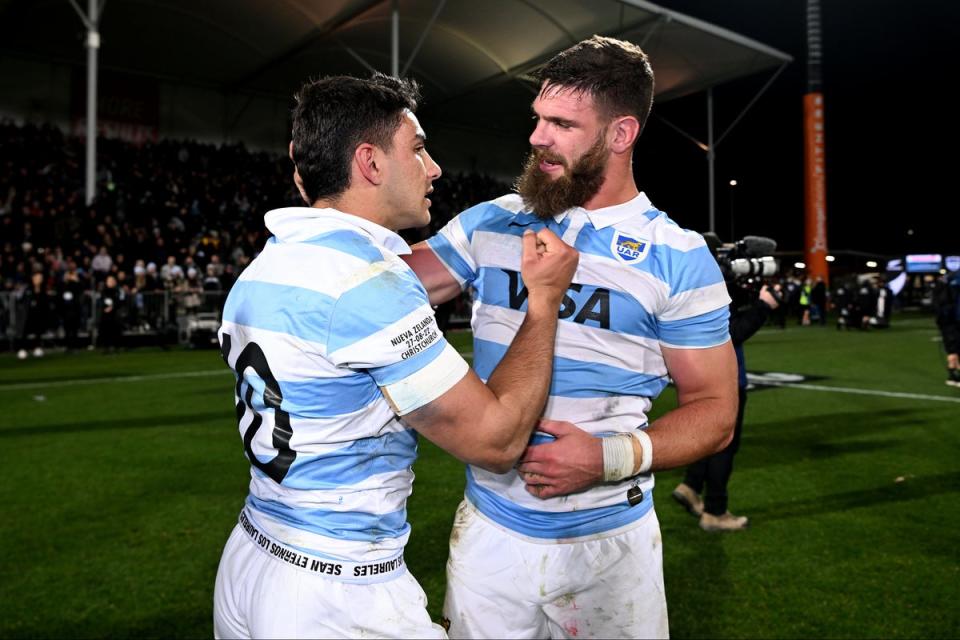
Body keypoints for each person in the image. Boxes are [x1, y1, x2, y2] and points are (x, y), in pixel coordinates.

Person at [212, 73, 578, 639]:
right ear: (371, 163)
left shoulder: (265, 267)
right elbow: (496, 440)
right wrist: (544, 304)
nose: (433, 168)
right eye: (418, 148)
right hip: (336, 587)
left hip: (253, 553)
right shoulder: (369, 282)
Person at [406, 36, 737, 639]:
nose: (537, 137)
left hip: (609, 543)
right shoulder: (494, 221)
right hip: (488, 532)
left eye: (561, 123)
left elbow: (716, 413)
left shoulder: (679, 258)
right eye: (538, 119)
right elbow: (388, 287)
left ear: (620, 134)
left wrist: (609, 458)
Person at [672, 274, 780, 531]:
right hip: (722, 378)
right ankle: (715, 512)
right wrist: (763, 306)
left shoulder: (686, 282)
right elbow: (730, 333)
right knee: (724, 445)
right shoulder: (709, 287)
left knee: (707, 439)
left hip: (695, 375)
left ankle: (691, 485)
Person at [933, 270, 960, 387]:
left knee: (953, 349)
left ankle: (953, 375)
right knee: (953, 348)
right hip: (951, 321)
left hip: (948, 321)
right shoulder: (951, 280)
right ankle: (953, 376)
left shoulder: (946, 279)